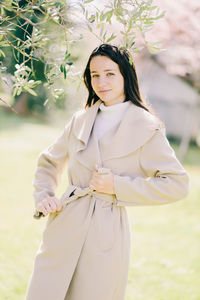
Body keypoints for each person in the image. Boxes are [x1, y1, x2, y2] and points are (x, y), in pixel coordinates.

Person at [25, 44, 190, 300]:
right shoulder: (80, 120)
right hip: (65, 225)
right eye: (94, 75)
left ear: (126, 75)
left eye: (110, 74)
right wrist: (44, 196)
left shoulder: (147, 128)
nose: (101, 81)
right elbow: (48, 162)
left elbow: (177, 184)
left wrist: (117, 186)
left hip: (106, 233)